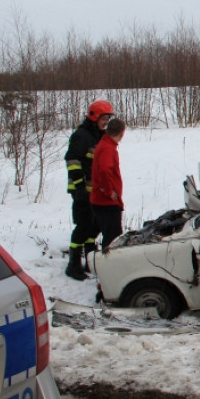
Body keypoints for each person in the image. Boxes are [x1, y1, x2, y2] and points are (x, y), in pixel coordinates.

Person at [64, 99, 113, 279]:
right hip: (82, 191)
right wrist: (79, 186)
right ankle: (73, 264)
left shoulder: (100, 135)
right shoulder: (81, 136)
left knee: (94, 226)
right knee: (83, 226)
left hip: (95, 191)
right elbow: (72, 160)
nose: (106, 122)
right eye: (104, 118)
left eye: (108, 118)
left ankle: (90, 260)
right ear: (94, 117)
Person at [90, 117, 127, 251]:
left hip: (100, 200)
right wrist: (108, 191)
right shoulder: (108, 148)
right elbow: (104, 169)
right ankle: (110, 269)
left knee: (103, 234)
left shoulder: (104, 144)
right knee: (113, 239)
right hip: (107, 202)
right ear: (121, 133)